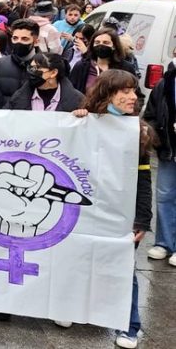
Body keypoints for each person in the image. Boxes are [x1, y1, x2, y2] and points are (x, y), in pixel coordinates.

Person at [72, 71, 153, 349]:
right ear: (107, 93)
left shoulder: (137, 132)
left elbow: (144, 182)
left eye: (135, 92)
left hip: (121, 214)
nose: (133, 97)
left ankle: (130, 325)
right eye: (126, 91)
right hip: (87, 210)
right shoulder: (85, 123)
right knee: (80, 259)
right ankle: (72, 309)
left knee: (123, 269)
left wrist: (142, 219)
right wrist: (73, 121)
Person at [142, 48, 176, 267]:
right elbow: (151, 114)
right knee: (164, 195)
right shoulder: (166, 82)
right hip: (169, 149)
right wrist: (157, 134)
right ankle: (164, 242)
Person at [68, 28, 140, 96]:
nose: (101, 45)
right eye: (97, 42)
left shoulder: (126, 68)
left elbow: (136, 94)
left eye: (106, 42)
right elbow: (71, 92)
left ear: (114, 46)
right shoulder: (82, 66)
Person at [0, 19, 40, 107]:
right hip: (5, 116)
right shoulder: (0, 64)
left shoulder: (47, 66)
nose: (18, 42)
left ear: (35, 42)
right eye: (15, 38)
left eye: (24, 39)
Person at [6, 53, 83, 111]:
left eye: (37, 68)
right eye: (31, 68)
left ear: (53, 73)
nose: (32, 72)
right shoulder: (18, 97)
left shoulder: (78, 100)